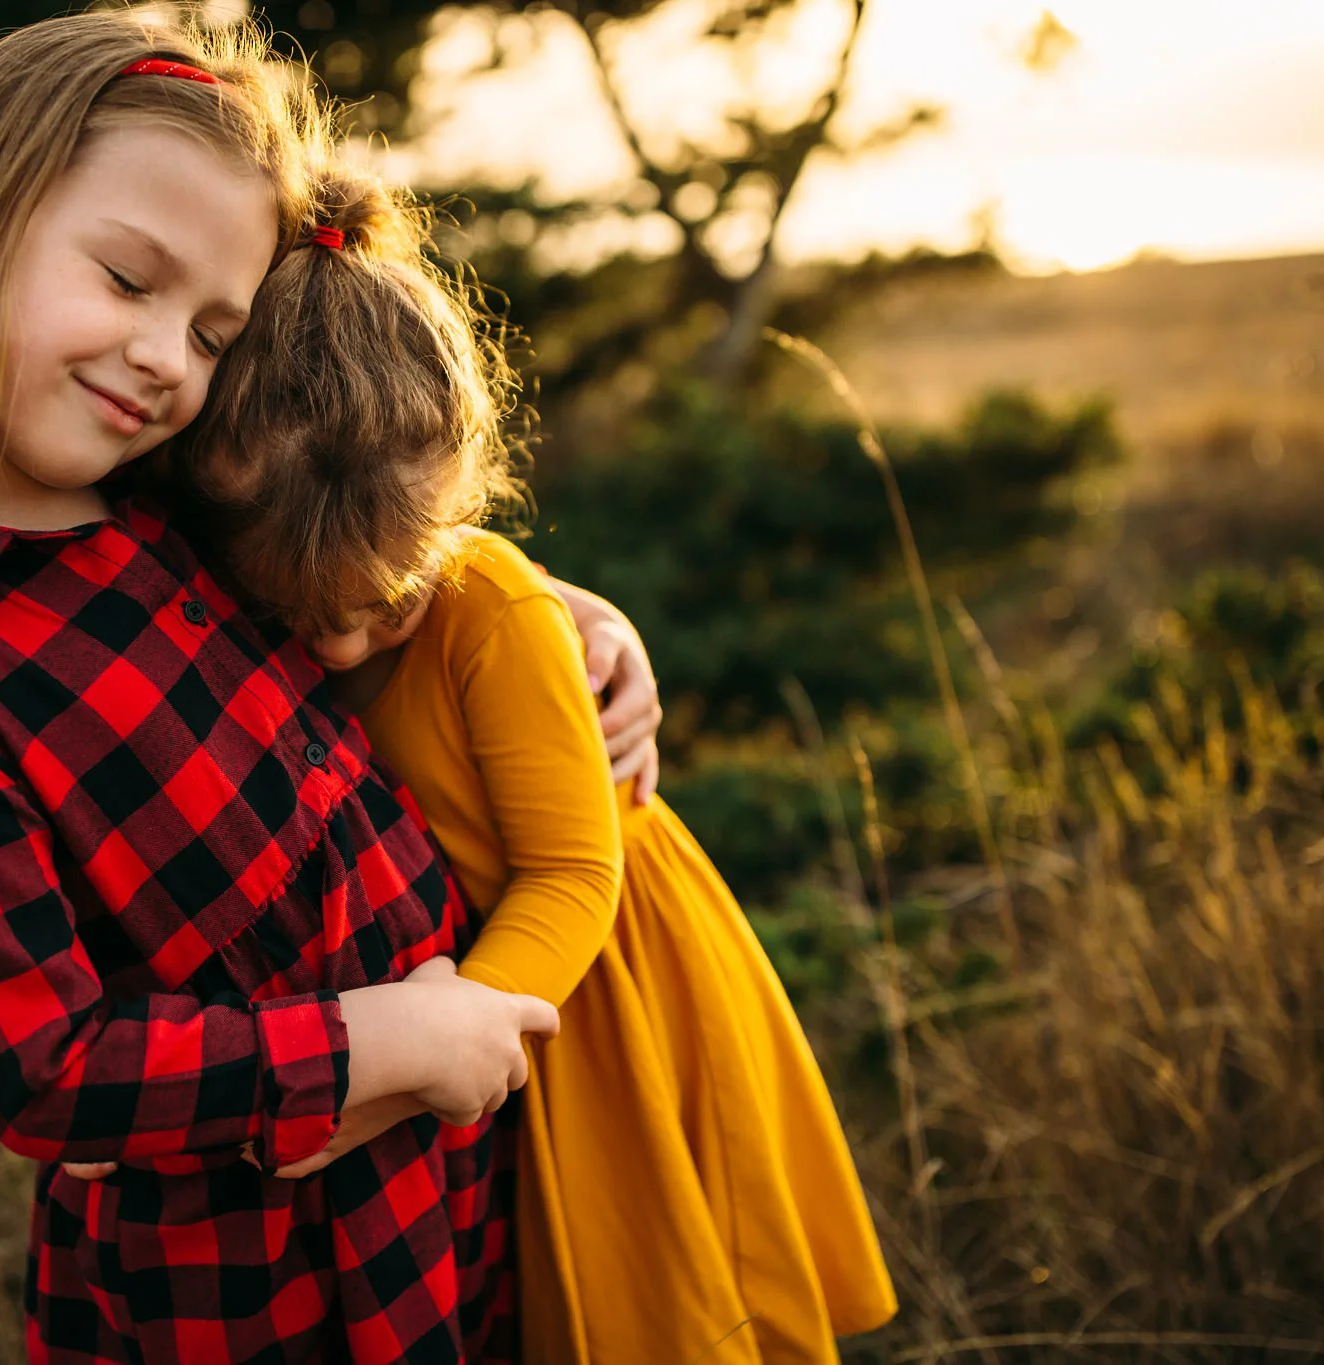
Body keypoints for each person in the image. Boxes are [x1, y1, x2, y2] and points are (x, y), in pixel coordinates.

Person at [0, 13, 658, 1362]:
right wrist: (374, 1043)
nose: (170, 357)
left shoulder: (170, 509)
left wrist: (561, 614)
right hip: (235, 1278)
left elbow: (363, 583)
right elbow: (45, 1066)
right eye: (126, 280)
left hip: (433, 1197)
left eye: (216, 331)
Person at [170, 165, 902, 1364]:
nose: (343, 642)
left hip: (596, 977)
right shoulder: (264, 546)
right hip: (495, 1003)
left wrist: (419, 1055)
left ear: (456, 503)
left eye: (380, 606)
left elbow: (570, 870)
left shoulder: (493, 609)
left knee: (654, 1294)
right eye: (304, 615)